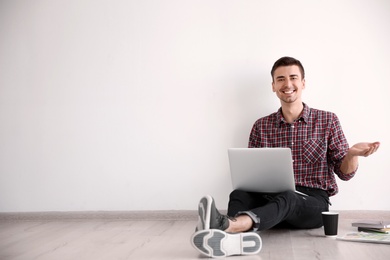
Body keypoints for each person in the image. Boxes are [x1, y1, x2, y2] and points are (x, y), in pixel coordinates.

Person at [190, 56, 380, 258]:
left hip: (311, 204)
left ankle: (226, 226)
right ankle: (234, 242)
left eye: (293, 77)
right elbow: (250, 174)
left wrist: (351, 154)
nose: (287, 84)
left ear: (303, 83)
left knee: (289, 197)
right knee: (239, 194)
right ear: (273, 86)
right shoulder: (261, 126)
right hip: (269, 201)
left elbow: (345, 175)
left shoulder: (328, 120)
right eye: (280, 79)